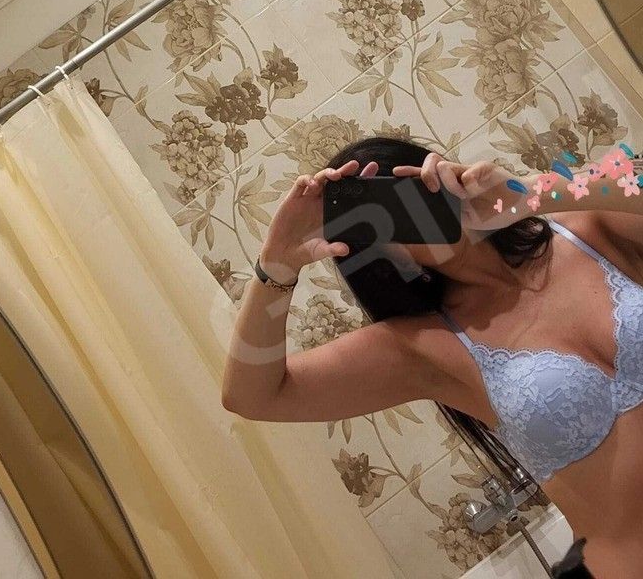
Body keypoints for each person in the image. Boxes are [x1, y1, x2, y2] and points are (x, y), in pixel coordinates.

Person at [222, 136, 643, 578]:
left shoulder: (585, 227)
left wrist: (527, 193)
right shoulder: (424, 347)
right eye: (388, 215)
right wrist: (277, 265)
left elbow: (629, 175)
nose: (415, 211)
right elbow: (252, 395)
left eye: (415, 187)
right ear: (383, 252)